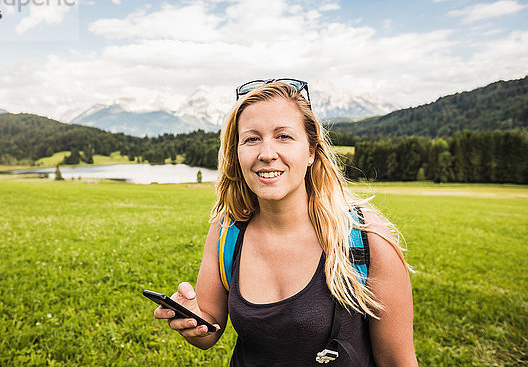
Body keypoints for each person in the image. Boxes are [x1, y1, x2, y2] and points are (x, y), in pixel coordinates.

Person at [153, 79, 417, 366]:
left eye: (284, 137)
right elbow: (210, 329)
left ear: (311, 151)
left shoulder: (365, 237)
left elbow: (397, 360)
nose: (266, 154)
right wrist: (193, 318)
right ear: (237, 152)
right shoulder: (227, 231)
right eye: (252, 139)